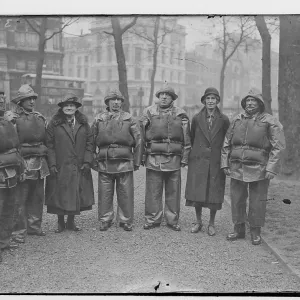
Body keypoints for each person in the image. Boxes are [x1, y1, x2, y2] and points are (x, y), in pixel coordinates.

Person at [221, 88, 286, 245]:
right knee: (237, 199)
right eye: (247, 101)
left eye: (253, 101)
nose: (250, 103)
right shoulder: (237, 119)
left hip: (260, 168)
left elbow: (279, 146)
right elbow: (226, 143)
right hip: (237, 166)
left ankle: (256, 231)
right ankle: (238, 229)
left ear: (260, 104)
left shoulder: (270, 121)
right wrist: (225, 163)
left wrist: (271, 167)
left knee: (258, 201)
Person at [140, 85, 191, 231]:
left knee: (173, 191)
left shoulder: (181, 114)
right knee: (152, 191)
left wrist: (185, 158)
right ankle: (152, 219)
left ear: (172, 98)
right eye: (161, 94)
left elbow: (187, 138)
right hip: (153, 157)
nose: (164, 97)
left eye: (167, 95)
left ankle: (172, 219)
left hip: (173, 158)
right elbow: (141, 136)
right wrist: (142, 156)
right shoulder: (149, 112)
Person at [92, 90, 142, 232]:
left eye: (119, 100)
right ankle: (105, 219)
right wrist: (93, 159)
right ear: (107, 102)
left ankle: (126, 220)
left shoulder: (129, 119)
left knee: (125, 192)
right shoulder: (99, 119)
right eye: (112, 99)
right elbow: (91, 141)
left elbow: (138, 140)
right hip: (104, 160)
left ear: (122, 102)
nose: (116, 102)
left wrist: (137, 161)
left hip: (124, 161)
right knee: (105, 192)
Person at [5, 85, 49, 243]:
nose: (31, 101)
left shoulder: (40, 117)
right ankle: (18, 232)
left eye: (33, 99)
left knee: (37, 197)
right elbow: (11, 144)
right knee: (20, 199)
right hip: (23, 163)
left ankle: (34, 227)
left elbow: (46, 140)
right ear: (20, 101)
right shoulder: (13, 119)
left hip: (40, 163)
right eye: (28, 99)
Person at [45, 93, 94, 233]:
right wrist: (52, 164)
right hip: (61, 164)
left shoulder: (83, 123)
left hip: (78, 164)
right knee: (59, 192)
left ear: (76, 108)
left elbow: (90, 143)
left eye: (72, 105)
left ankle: (71, 222)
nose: (69, 108)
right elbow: (49, 145)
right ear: (62, 108)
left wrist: (87, 161)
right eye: (66, 105)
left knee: (75, 191)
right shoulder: (54, 124)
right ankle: (60, 222)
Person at [185, 87, 230, 236]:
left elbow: (226, 140)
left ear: (217, 101)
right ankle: (198, 222)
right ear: (204, 101)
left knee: (214, 193)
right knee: (197, 192)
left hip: (215, 161)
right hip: (199, 160)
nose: (210, 101)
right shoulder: (197, 118)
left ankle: (211, 223)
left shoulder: (224, 120)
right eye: (208, 98)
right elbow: (192, 137)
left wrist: (224, 160)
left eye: (213, 98)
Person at [0, 91, 24, 262]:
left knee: (9, 207)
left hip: (11, 171)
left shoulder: (8, 122)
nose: (1, 104)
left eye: (2, 101)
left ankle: (4, 242)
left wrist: (21, 168)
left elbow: (16, 147)